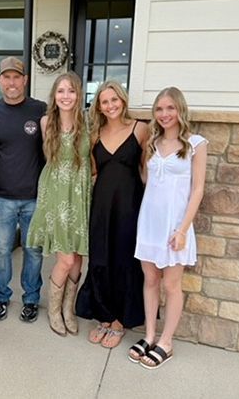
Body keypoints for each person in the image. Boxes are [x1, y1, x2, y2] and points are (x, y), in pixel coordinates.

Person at [130, 87, 207, 369]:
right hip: (149, 221)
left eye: (170, 108)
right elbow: (147, 180)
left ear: (180, 110)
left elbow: (197, 189)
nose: (164, 114)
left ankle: (166, 341)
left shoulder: (196, 143)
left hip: (176, 225)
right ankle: (149, 335)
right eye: (160, 109)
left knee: (171, 284)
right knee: (150, 280)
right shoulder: (152, 142)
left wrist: (183, 229)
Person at [75, 81, 150, 349]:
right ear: (99, 106)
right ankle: (104, 316)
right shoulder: (96, 134)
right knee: (100, 259)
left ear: (123, 100)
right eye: (104, 101)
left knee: (124, 261)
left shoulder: (140, 129)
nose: (110, 105)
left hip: (130, 207)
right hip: (102, 207)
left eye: (114, 99)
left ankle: (120, 320)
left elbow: (145, 170)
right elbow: (95, 173)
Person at [26, 72, 91, 336]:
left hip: (80, 192)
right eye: (61, 91)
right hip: (55, 193)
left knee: (77, 256)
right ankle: (54, 310)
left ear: (79, 95)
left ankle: (69, 309)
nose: (66, 96)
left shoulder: (89, 123)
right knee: (65, 258)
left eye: (71, 91)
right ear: (54, 95)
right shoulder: (45, 123)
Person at [0, 57, 47, 322]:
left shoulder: (40, 110)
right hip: (2, 196)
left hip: (34, 196)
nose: (12, 82)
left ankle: (31, 299)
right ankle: (0, 296)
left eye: (17, 77)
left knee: (33, 250)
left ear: (25, 80)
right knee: (0, 250)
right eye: (6, 77)